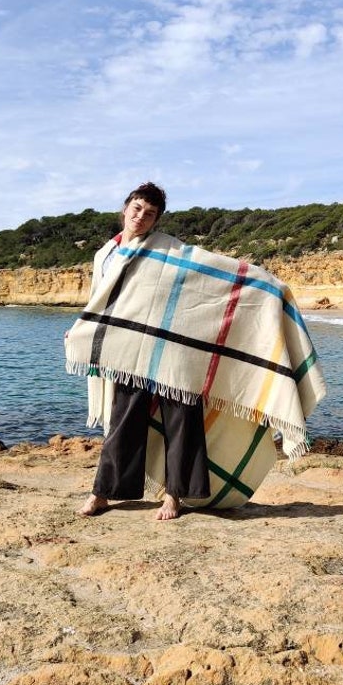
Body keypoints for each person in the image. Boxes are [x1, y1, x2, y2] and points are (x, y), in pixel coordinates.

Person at [76, 182, 211, 521]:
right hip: (129, 348)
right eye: (137, 209)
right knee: (122, 419)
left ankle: (174, 496)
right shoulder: (105, 253)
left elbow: (208, 277)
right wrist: (83, 327)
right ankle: (103, 492)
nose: (141, 216)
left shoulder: (169, 249)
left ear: (156, 220)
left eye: (150, 214)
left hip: (171, 346)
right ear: (125, 208)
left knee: (182, 419)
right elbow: (100, 299)